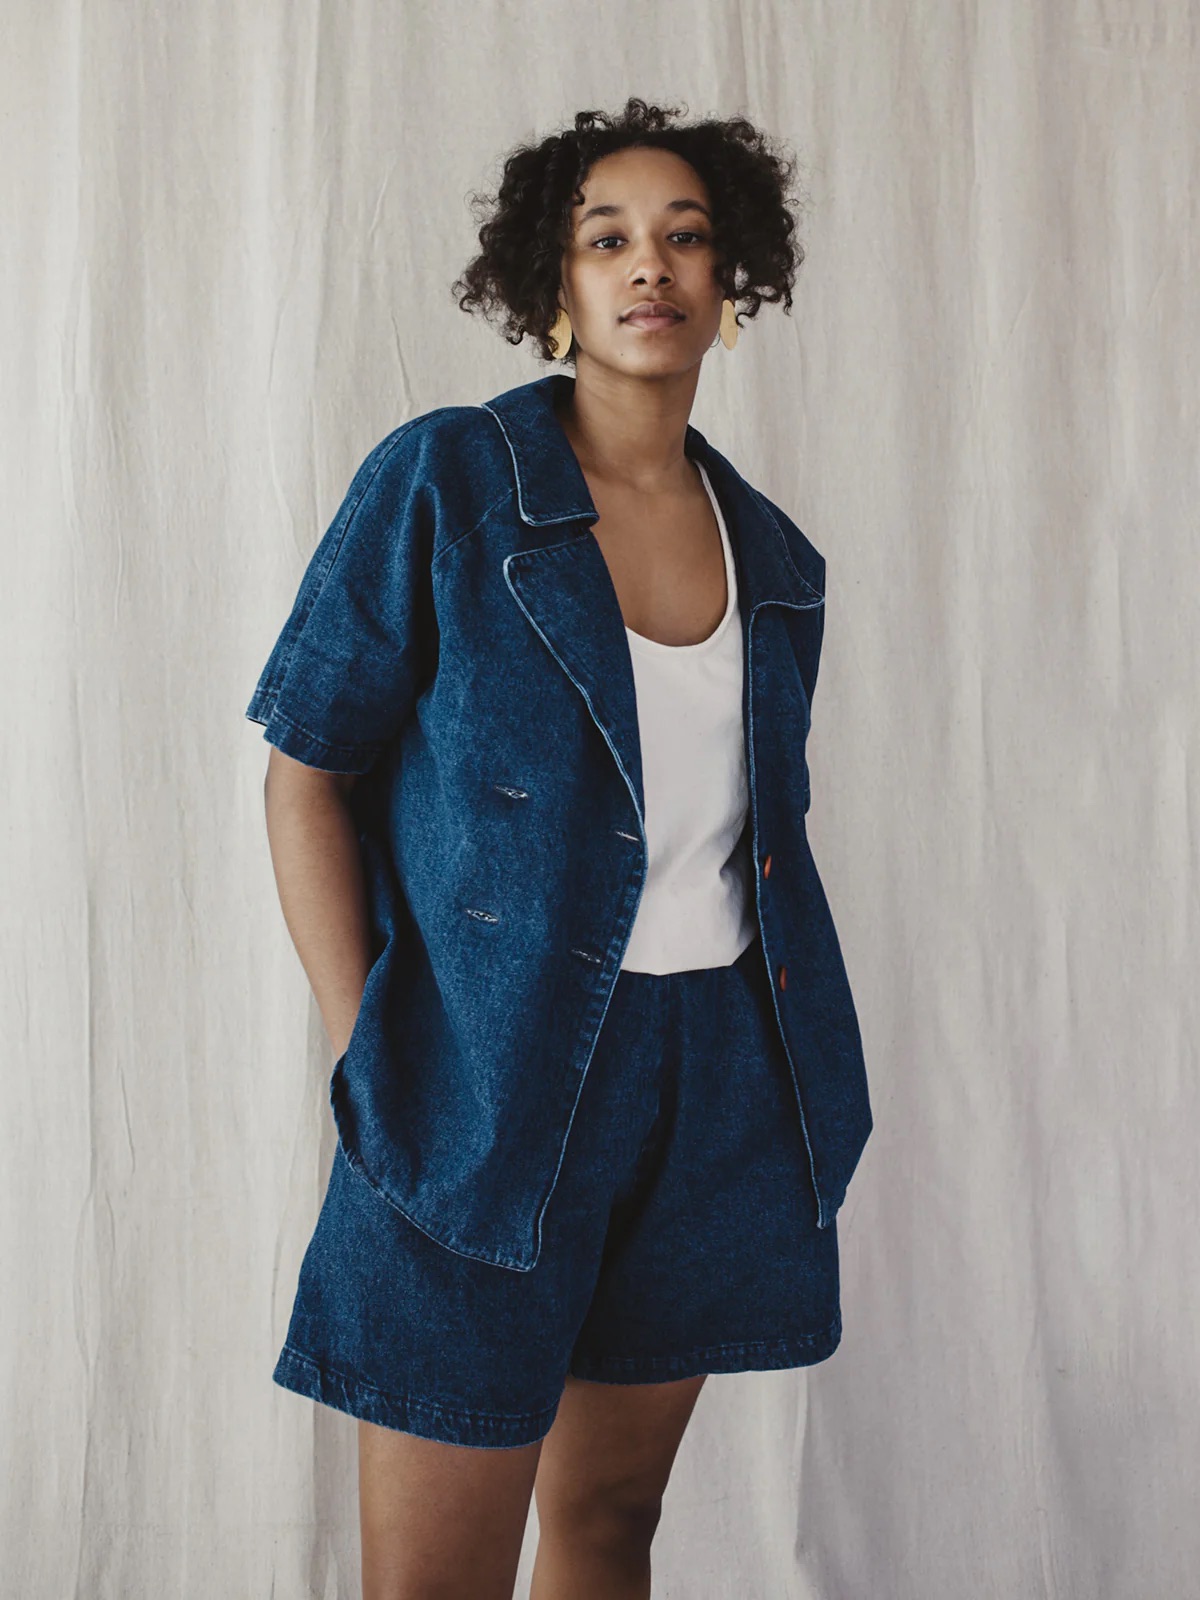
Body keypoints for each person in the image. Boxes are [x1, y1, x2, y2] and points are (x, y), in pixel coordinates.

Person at [247, 97, 873, 1600]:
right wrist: (372, 1043)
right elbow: (305, 773)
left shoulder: (776, 563)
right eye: (608, 240)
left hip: (717, 1076)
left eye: (685, 237)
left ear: (734, 284)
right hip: (484, 1078)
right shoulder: (450, 484)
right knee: (435, 1575)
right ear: (554, 289)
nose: (649, 266)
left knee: (608, 1527)